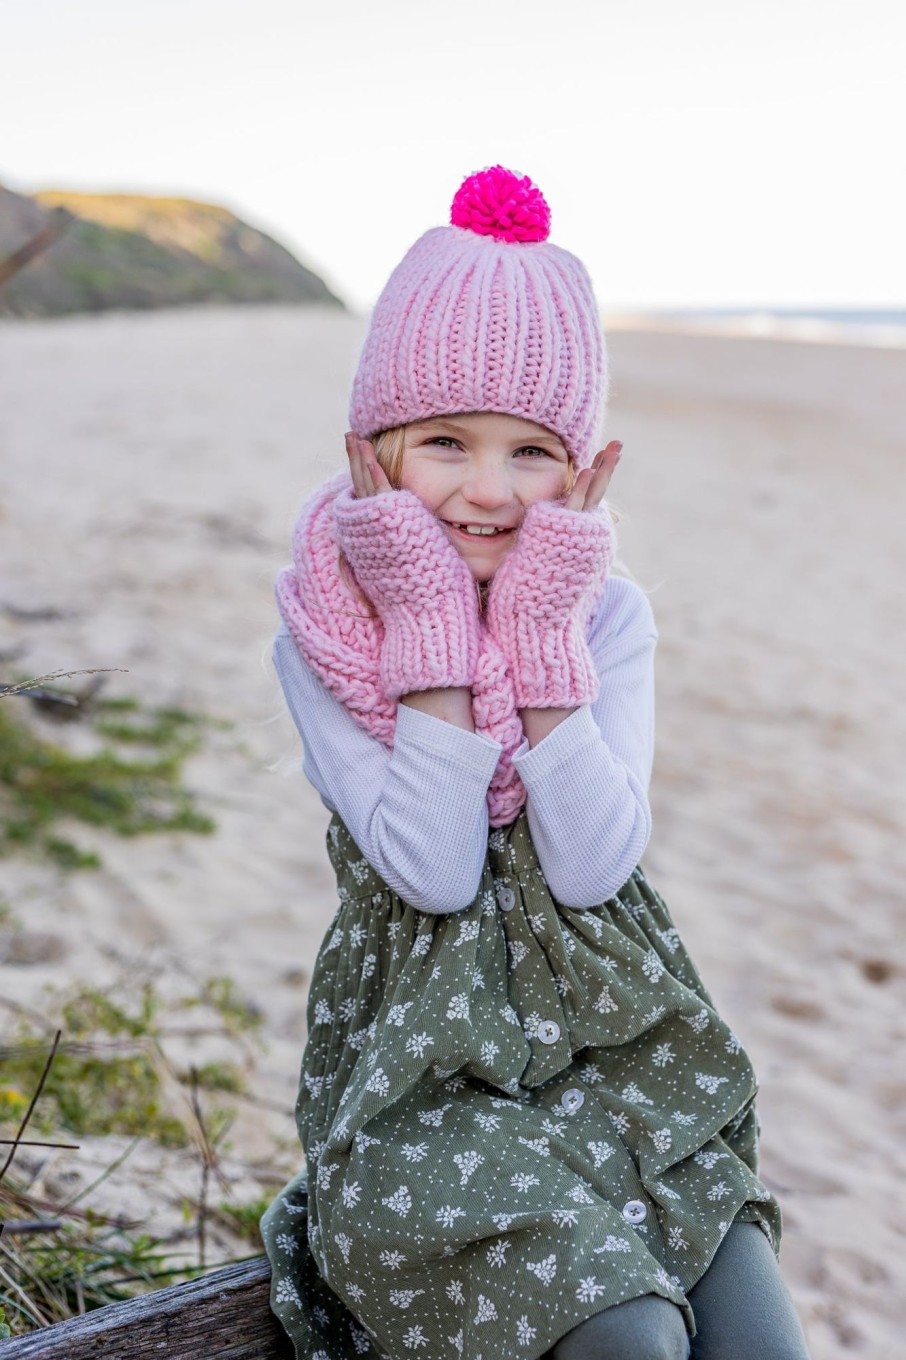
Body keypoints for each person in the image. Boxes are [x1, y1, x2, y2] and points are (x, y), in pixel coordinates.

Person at [260, 166, 810, 1360]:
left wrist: (546, 635)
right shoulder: (323, 632)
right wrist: (431, 635)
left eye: (531, 453)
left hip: (621, 1038)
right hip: (429, 1069)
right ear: (373, 451)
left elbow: (597, 858)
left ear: (584, 467)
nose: (488, 491)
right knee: (629, 1343)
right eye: (445, 444)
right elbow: (435, 869)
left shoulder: (606, 616)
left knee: (760, 1343)